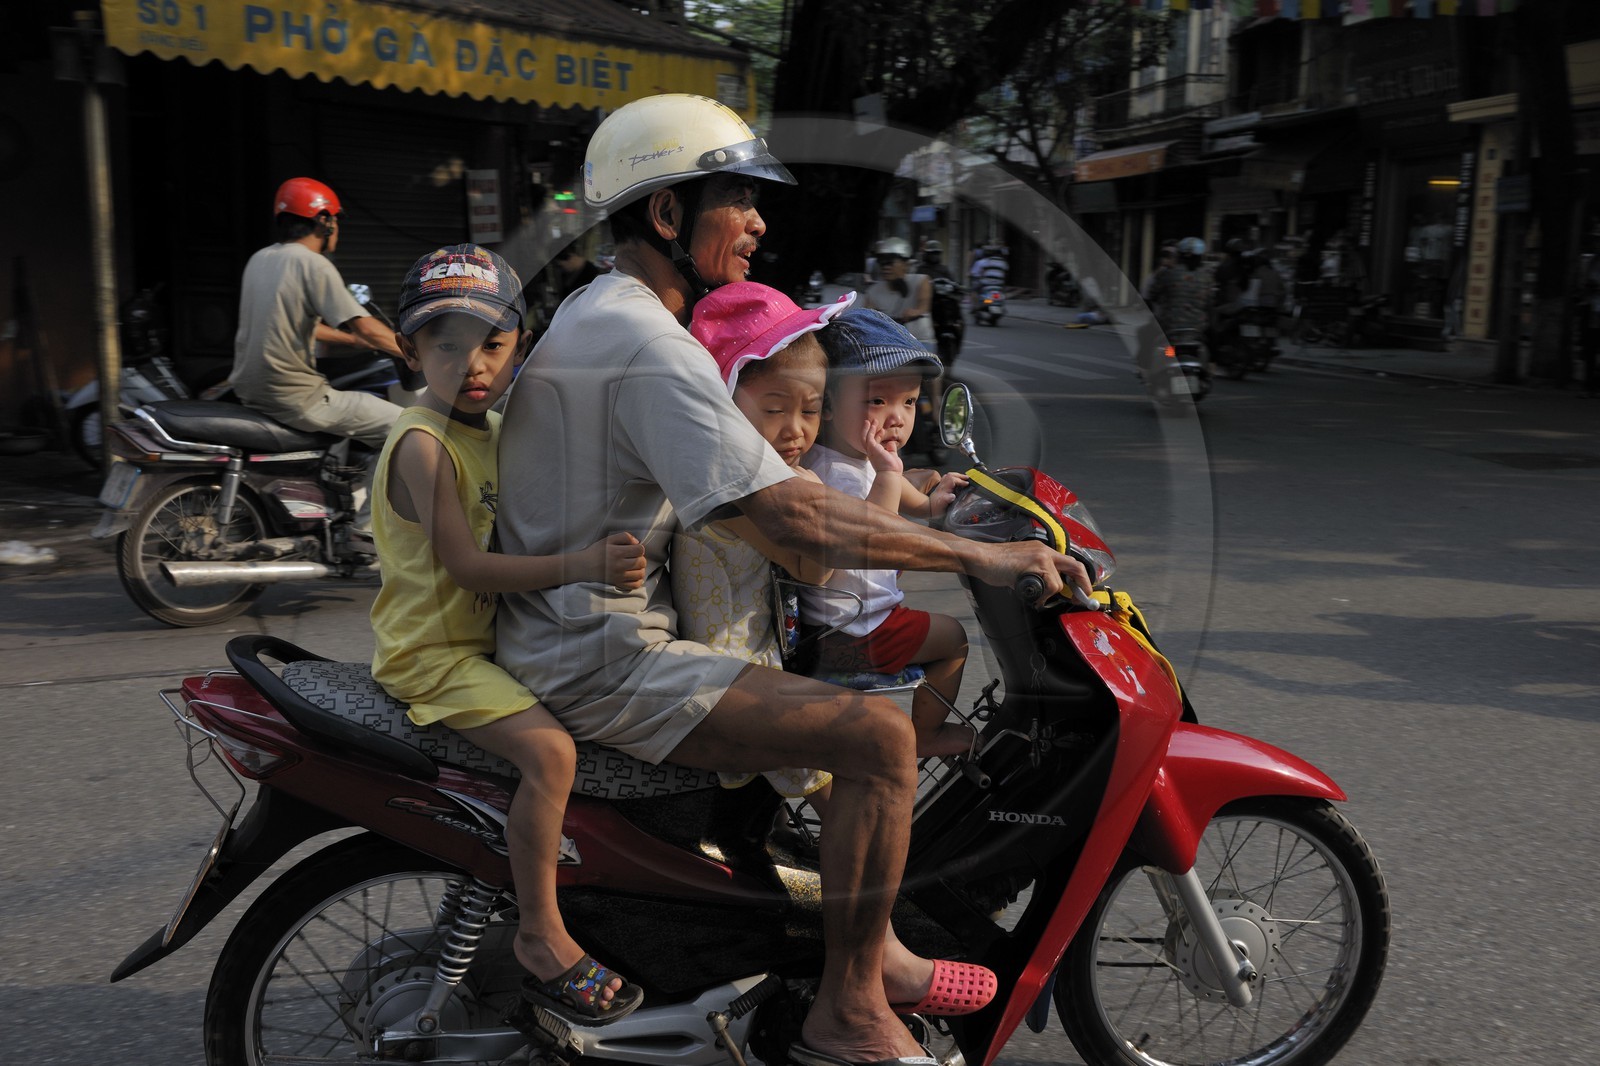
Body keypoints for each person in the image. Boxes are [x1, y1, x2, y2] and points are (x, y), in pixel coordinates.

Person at [494, 93, 1086, 1066]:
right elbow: (794, 515)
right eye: (739, 201)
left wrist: (913, 497)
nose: (760, 224)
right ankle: (850, 1006)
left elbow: (782, 493)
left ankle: (865, 947)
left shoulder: (605, 313)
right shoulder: (645, 341)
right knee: (874, 739)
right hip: (601, 658)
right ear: (667, 213)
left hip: (571, 626)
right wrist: (987, 557)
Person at [370, 244, 648, 1026]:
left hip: (486, 644)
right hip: (434, 658)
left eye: (492, 343)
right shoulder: (423, 442)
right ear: (408, 348)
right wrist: (588, 564)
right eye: (446, 345)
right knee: (552, 753)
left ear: (520, 344)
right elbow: (467, 567)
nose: (473, 364)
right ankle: (540, 933)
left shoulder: (492, 425)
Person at [677, 281, 854, 799]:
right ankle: (865, 878)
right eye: (774, 410)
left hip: (760, 656)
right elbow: (815, 570)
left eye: (811, 410)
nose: (796, 430)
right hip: (730, 677)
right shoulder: (728, 485)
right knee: (850, 760)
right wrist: (817, 493)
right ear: (728, 405)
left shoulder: (760, 474)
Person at [802, 308, 973, 760]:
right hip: (854, 631)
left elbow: (902, 496)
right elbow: (870, 539)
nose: (897, 418)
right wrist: (888, 475)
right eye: (878, 402)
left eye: (910, 402)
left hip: (853, 622)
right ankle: (927, 733)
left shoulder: (852, 459)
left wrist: (933, 503)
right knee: (953, 637)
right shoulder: (832, 475)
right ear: (829, 405)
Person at [231, 178, 407, 545]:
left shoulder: (260, 259)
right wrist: (415, 352)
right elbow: (366, 326)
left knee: (352, 410)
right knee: (404, 426)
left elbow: (303, 326)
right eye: (336, 220)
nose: (337, 227)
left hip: (251, 388)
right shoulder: (313, 264)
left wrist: (352, 340)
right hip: (295, 396)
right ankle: (368, 525)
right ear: (324, 219)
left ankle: (335, 498)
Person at [1143, 236, 1215, 378]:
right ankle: (1211, 366)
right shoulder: (1207, 277)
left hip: (1170, 329)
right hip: (1198, 330)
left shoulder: (1167, 274)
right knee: (1213, 335)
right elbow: (1210, 303)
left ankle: (1145, 369)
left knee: (1146, 334)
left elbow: (1152, 294)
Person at [865, 238, 933, 346]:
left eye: (890, 262)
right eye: (882, 263)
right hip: (889, 344)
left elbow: (923, 307)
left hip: (920, 342)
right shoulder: (873, 291)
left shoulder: (920, 281)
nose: (886, 267)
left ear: (905, 264)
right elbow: (866, 318)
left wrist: (915, 312)